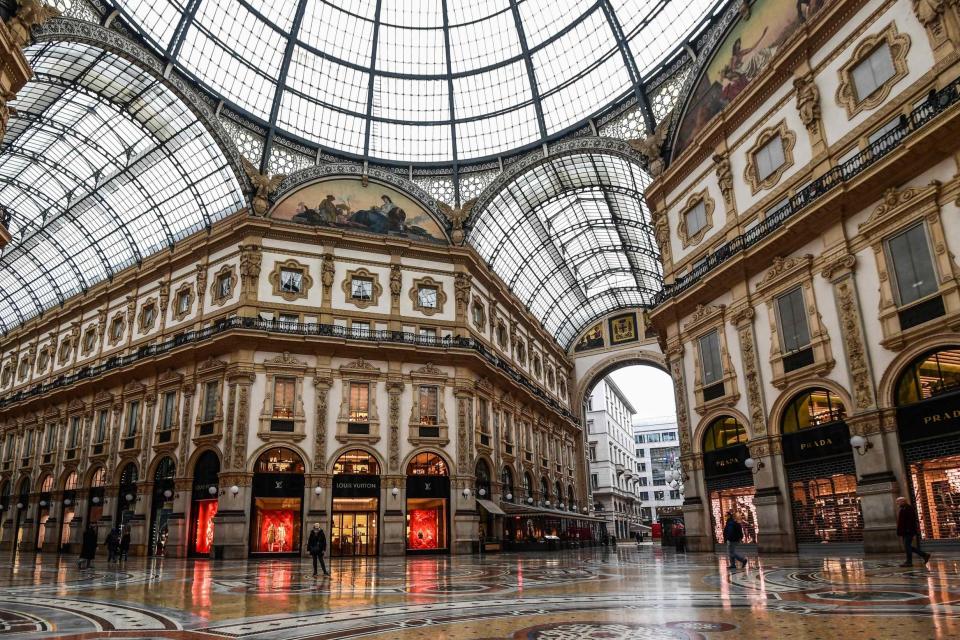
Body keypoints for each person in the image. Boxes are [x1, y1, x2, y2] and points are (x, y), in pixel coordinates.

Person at [896, 496, 931, 567]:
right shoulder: (903, 509)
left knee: (907, 546)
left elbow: (911, 520)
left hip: (908, 531)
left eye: (898, 502)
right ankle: (924, 555)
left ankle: (909, 562)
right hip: (905, 531)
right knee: (907, 546)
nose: (897, 503)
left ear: (903, 501)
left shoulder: (909, 508)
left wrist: (908, 529)